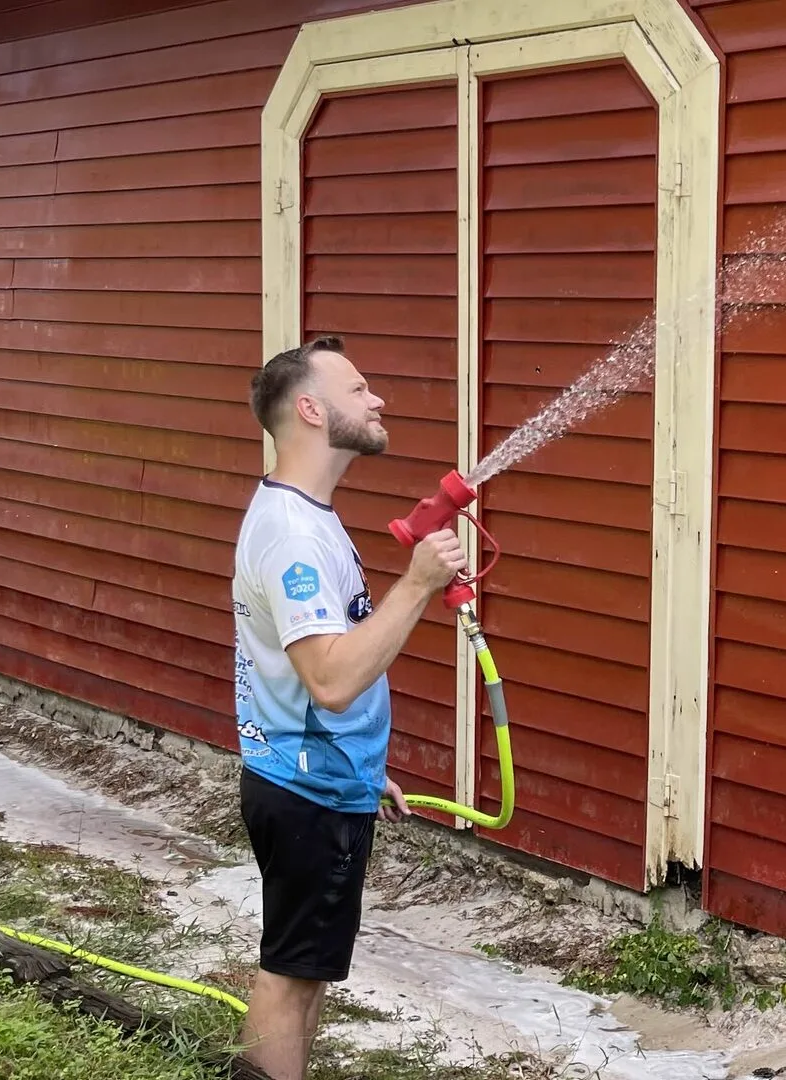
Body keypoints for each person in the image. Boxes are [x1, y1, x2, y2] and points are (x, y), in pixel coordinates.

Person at [228, 334, 467, 1079]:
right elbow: (330, 680)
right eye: (358, 389)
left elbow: (317, 673)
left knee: (306, 972)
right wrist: (418, 583)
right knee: (289, 975)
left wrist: (364, 767)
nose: (377, 399)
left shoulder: (305, 513)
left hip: (319, 777)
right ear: (310, 409)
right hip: (305, 789)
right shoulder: (294, 536)